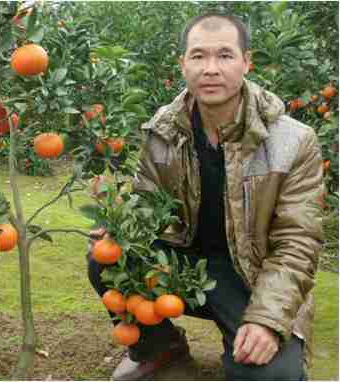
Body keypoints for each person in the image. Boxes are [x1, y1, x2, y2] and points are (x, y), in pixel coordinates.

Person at [87, 12, 325, 381]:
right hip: (183, 265)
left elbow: (298, 241)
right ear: (183, 64)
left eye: (225, 55)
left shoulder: (293, 141)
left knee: (272, 376)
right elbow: (147, 206)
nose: (210, 69)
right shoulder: (163, 129)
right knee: (107, 259)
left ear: (247, 61)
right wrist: (121, 224)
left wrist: (267, 320)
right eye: (198, 56)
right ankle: (159, 347)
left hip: (251, 274)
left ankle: (255, 337)